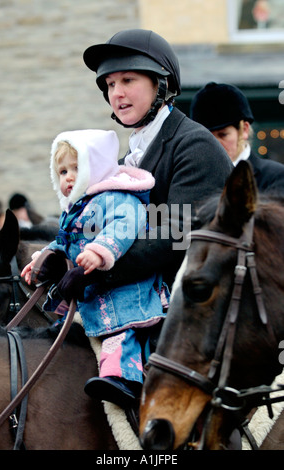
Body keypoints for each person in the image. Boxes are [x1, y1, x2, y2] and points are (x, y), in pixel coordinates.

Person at [52, 29, 233, 405]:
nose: (116, 93)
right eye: (110, 83)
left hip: (191, 313)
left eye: (128, 80)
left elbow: (174, 237)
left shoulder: (194, 145)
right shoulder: (126, 159)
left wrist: (91, 271)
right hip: (134, 298)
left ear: (161, 84)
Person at [22, 128, 169, 407]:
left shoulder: (115, 197)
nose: (68, 177)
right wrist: (41, 258)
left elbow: (126, 225)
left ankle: (121, 379)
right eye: (62, 172)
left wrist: (99, 252)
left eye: (76, 168)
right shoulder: (75, 209)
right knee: (67, 328)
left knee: (120, 333)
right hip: (93, 291)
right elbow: (62, 241)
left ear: (96, 166)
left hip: (122, 290)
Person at [190, 82, 284, 193]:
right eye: (207, 137)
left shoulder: (276, 177)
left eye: (223, 135)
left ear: (244, 129)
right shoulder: (190, 179)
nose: (214, 144)